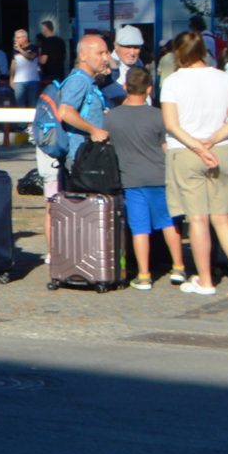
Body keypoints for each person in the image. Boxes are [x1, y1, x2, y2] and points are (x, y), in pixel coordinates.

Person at [159, 31, 228, 295]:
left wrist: (198, 146)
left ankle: (205, 279)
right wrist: (212, 141)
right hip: (220, 149)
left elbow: (171, 124)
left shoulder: (173, 82)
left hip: (185, 151)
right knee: (223, 218)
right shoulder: (223, 78)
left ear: (178, 53)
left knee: (197, 220)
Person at [105, 68, 187, 288]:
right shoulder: (158, 115)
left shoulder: (111, 117)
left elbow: (110, 144)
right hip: (159, 175)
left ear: (125, 87)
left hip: (130, 179)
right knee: (169, 223)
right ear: (149, 89)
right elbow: (164, 144)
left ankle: (143, 275)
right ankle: (178, 267)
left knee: (139, 228)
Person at [37, 30, 115, 195]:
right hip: (80, 158)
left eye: (106, 53)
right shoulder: (78, 81)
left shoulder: (88, 81)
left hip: (87, 156)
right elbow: (65, 112)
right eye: (100, 53)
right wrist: (93, 130)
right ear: (83, 56)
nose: (106, 58)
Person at [103, 25, 147, 108]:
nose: (132, 52)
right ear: (116, 45)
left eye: (136, 47)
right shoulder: (106, 66)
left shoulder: (139, 63)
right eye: (128, 46)